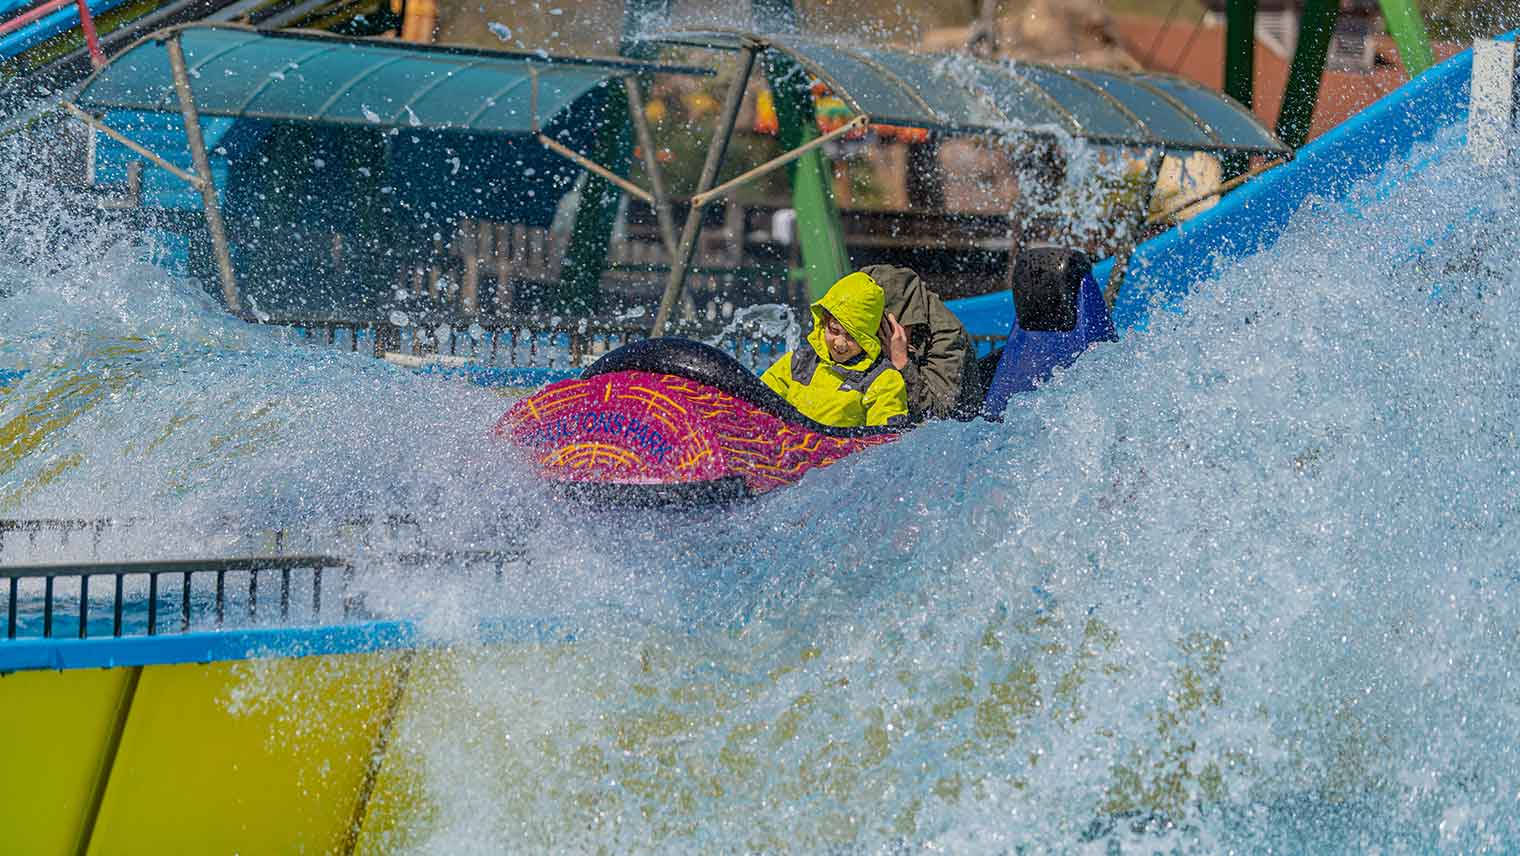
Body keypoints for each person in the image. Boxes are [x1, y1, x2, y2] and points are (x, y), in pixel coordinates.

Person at [761, 272, 909, 429]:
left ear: (868, 340)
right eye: (834, 330)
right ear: (824, 322)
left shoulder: (883, 381)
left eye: (852, 337)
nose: (840, 343)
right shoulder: (797, 363)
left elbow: (886, 439)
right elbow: (756, 404)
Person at [858, 264, 983, 423]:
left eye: (879, 330)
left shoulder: (947, 335)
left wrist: (901, 362)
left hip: (959, 426)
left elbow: (939, 415)